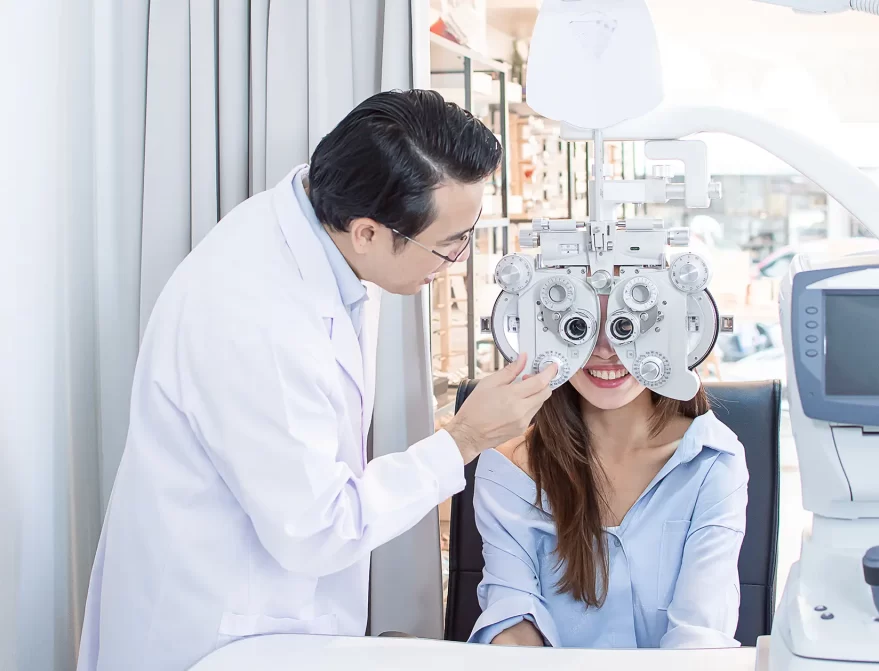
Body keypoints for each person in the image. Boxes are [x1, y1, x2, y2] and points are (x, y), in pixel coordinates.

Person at [76, 90, 557, 671]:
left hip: (282, 617)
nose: (454, 259)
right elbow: (315, 529)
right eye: (448, 245)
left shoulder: (327, 233)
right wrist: (462, 441)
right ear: (368, 233)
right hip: (216, 629)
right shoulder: (253, 313)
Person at [468, 294, 749, 649]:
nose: (605, 349)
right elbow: (512, 614)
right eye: (579, 326)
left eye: (626, 325)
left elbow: (700, 633)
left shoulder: (711, 460)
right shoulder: (509, 469)